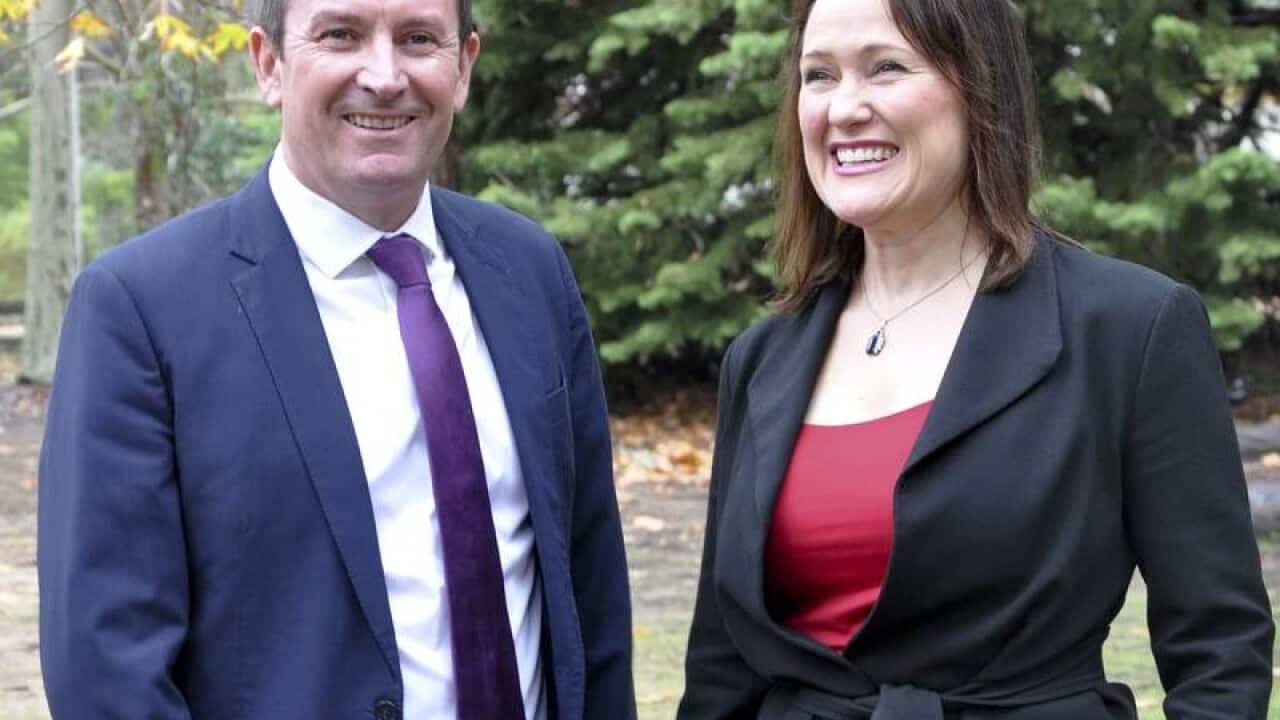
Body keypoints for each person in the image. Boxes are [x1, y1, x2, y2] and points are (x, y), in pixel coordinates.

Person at [37, 0, 635, 717]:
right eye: (340, 35)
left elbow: (590, 591)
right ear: (269, 64)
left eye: (418, 39)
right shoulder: (141, 309)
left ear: (465, 66)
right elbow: (109, 669)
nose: (383, 76)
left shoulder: (530, 271)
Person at [677, 0, 1275, 717]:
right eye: (819, 75)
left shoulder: (1131, 327)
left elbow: (1220, 652)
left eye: (886, 68)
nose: (844, 108)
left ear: (979, 86)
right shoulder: (762, 358)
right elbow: (722, 669)